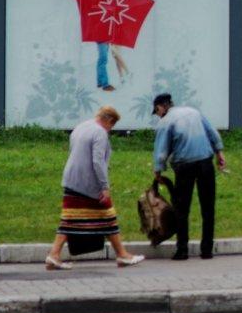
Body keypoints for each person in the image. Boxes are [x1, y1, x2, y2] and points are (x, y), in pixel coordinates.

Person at [45, 105, 144, 270]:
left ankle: (54, 255)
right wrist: (104, 186)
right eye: (112, 126)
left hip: (71, 179)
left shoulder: (80, 127)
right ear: (109, 120)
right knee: (108, 215)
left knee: (69, 219)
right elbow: (98, 161)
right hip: (88, 184)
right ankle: (122, 255)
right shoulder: (99, 132)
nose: (110, 130)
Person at [152, 92, 225, 261]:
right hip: (206, 163)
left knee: (182, 209)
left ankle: (182, 250)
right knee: (208, 208)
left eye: (156, 112)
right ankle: (207, 250)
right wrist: (219, 153)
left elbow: (161, 151)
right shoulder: (194, 112)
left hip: (184, 167)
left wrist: (158, 171)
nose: (158, 115)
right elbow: (212, 132)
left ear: (160, 107)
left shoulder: (165, 121)